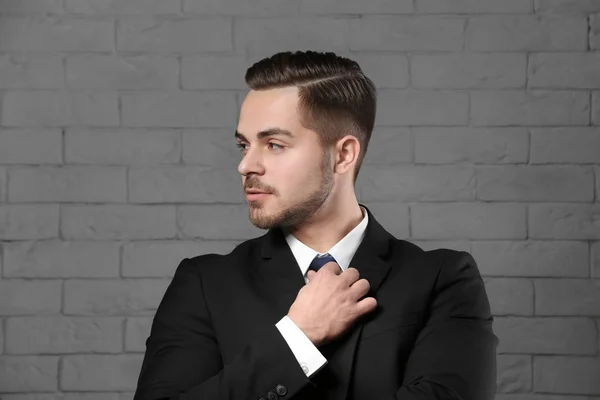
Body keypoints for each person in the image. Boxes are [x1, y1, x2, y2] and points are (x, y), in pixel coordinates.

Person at [133, 50, 498, 400]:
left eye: (273, 144)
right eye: (244, 145)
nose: (246, 166)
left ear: (343, 154)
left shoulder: (442, 280)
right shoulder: (204, 284)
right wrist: (296, 338)